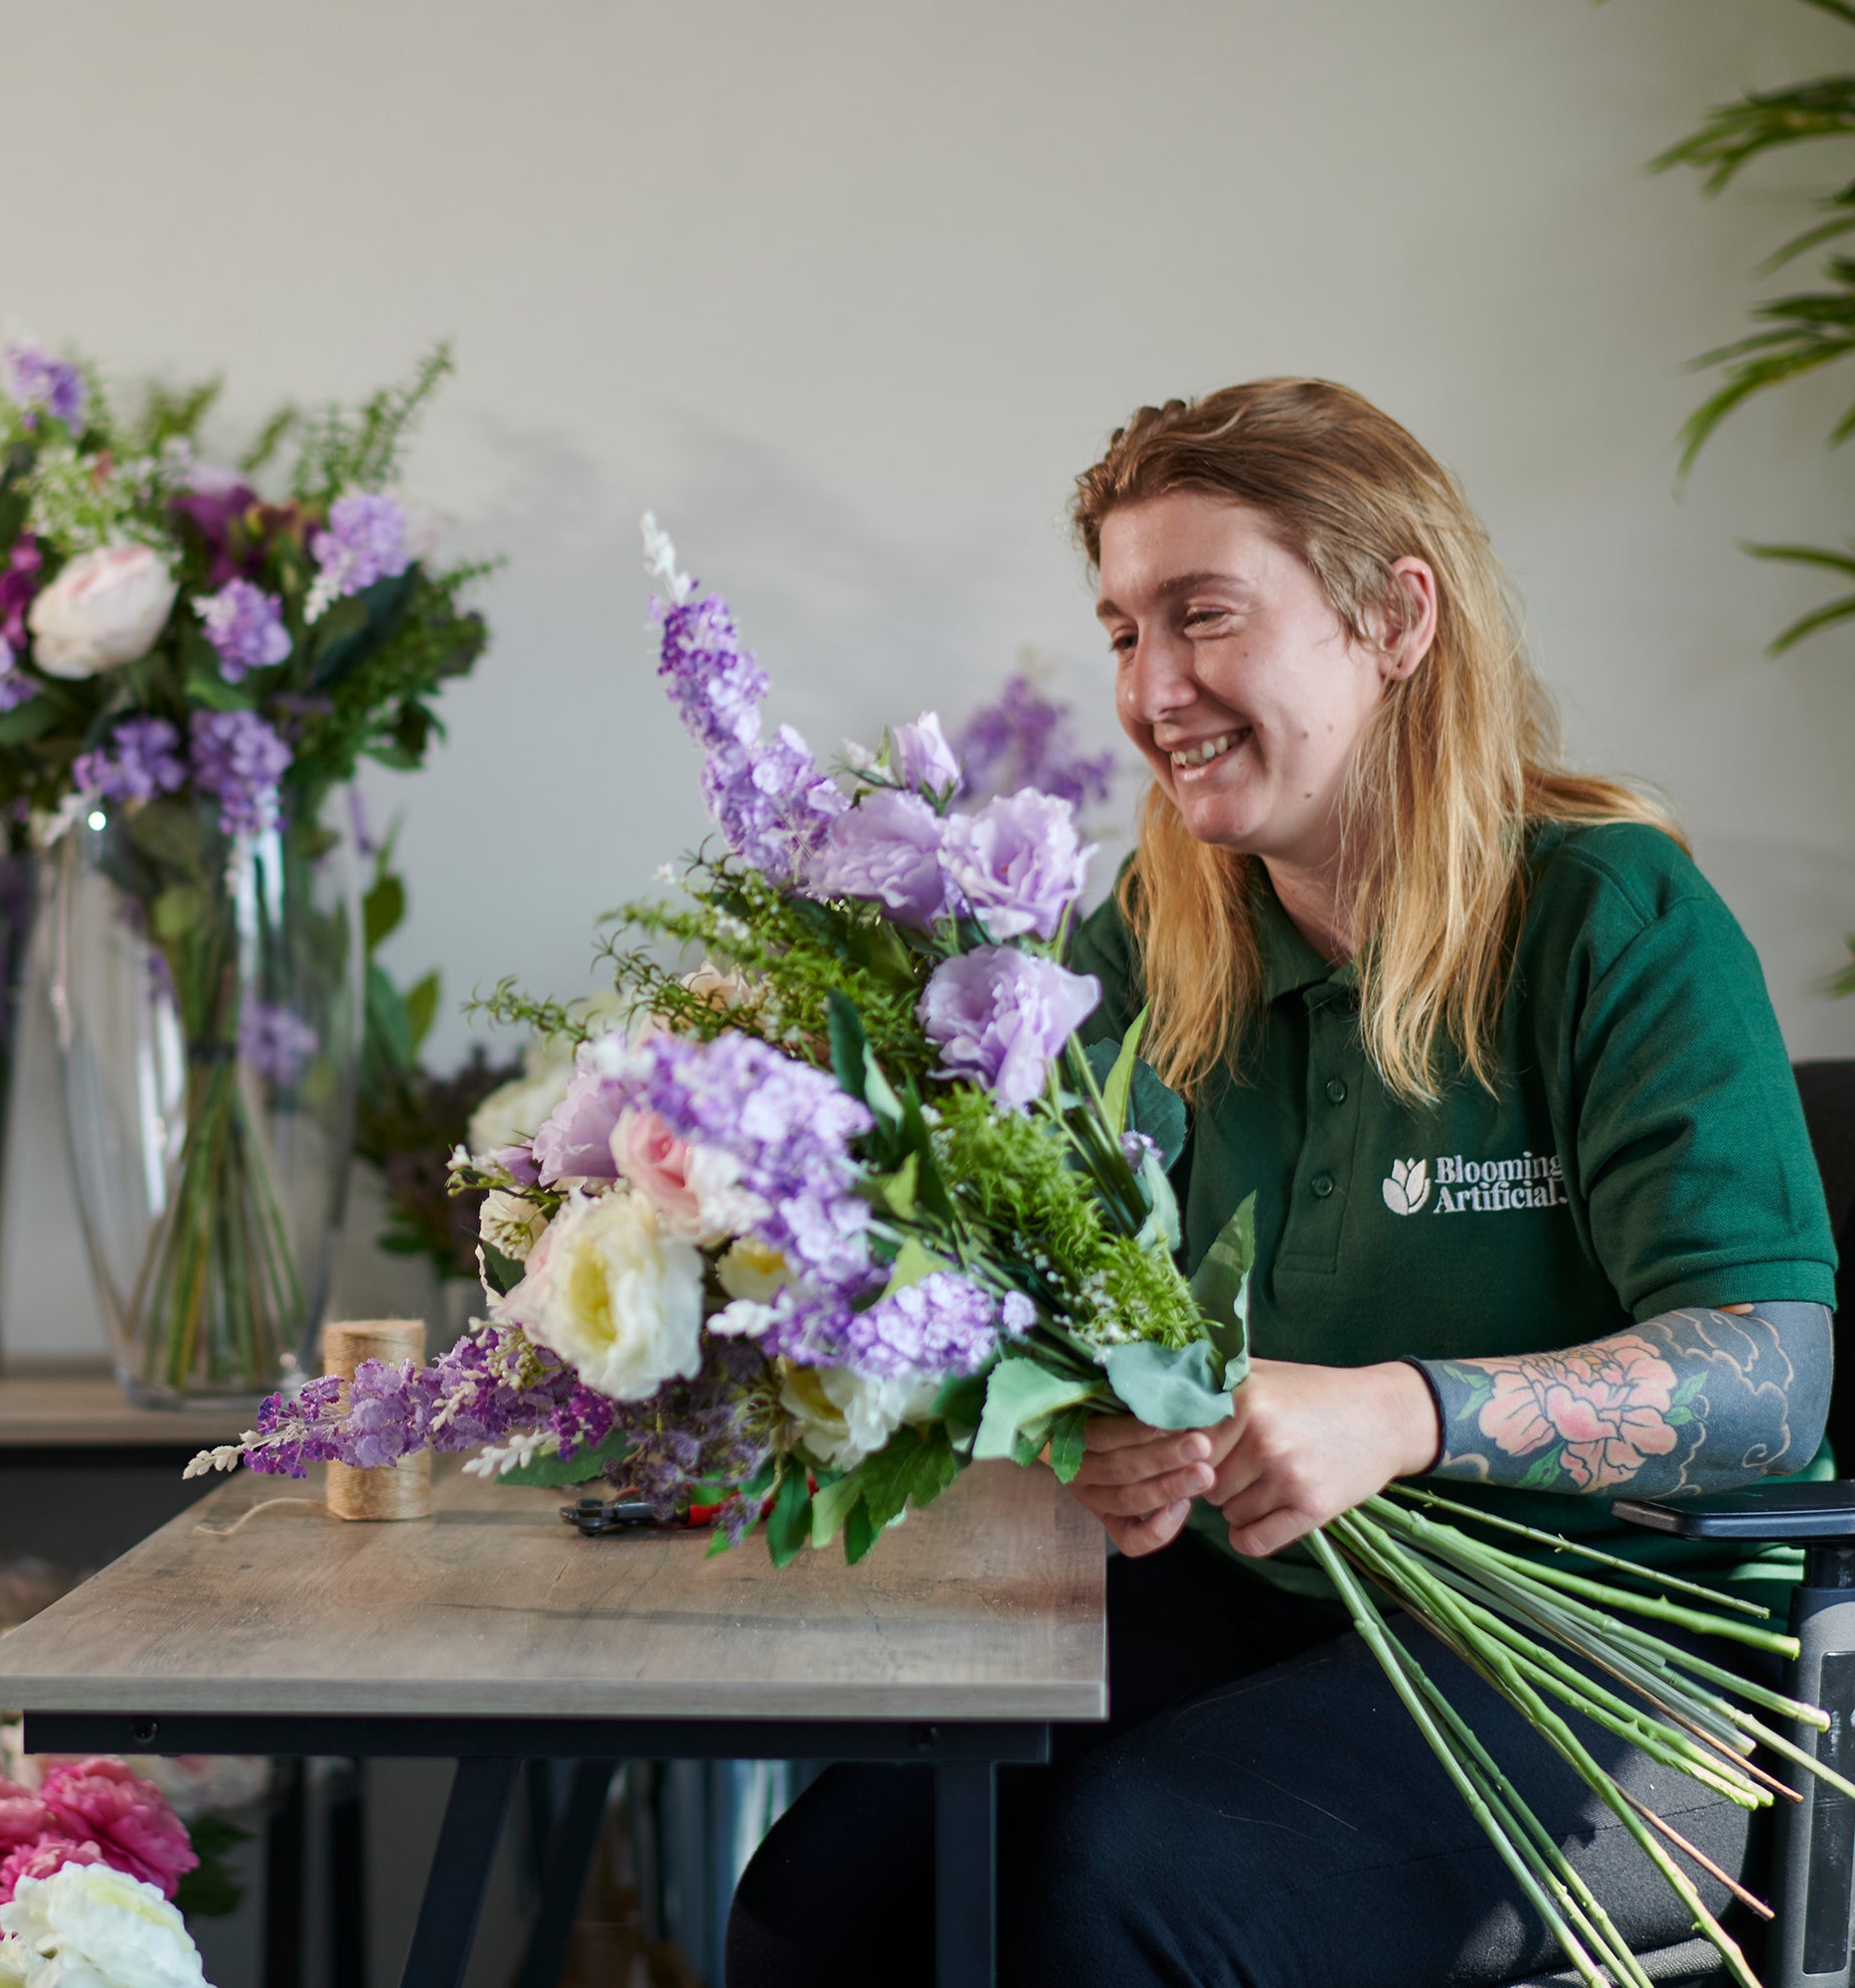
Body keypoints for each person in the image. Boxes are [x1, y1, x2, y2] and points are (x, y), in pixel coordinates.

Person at [725, 380, 1836, 1988]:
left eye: (1204, 616)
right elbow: (1078, 1315)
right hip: (1274, 1612)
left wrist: (1401, 1412)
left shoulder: (1613, 923)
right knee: (828, 1901)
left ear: (1395, 617)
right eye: (1121, 630)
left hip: (1620, 1666)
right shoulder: (1151, 944)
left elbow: (1773, 1380)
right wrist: (1098, 1431)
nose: (1152, 687)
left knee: (1129, 1880)